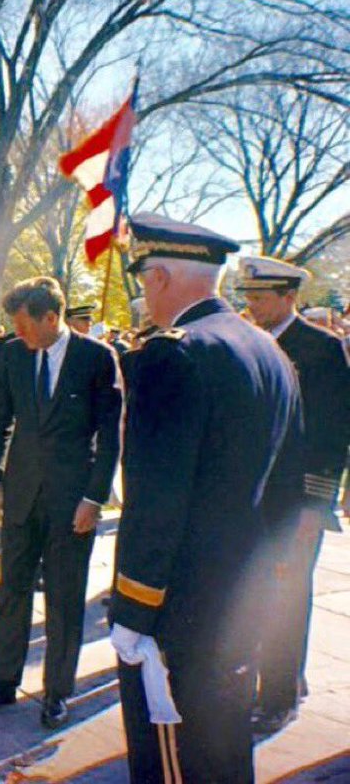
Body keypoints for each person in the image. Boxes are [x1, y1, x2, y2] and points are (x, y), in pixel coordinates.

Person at [110, 215, 300, 784]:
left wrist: (134, 609)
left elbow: (155, 501)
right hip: (241, 592)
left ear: (161, 276)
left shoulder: (174, 354)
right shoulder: (268, 350)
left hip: (178, 605)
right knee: (224, 746)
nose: (145, 295)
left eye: (145, 280)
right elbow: (286, 487)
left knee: (174, 759)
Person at [0, 277, 122, 729]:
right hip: (21, 494)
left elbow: (111, 436)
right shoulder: (13, 354)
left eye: (23, 324)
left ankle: (56, 692)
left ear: (51, 318)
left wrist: (94, 497)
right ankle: (1, 683)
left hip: (72, 501)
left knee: (64, 597)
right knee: (11, 590)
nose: (17, 333)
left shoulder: (96, 358)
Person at [237, 255, 350, 734]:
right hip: (253, 497)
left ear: (289, 298)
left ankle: (278, 699)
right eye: (248, 297)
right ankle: (286, 677)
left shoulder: (321, 349)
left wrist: (315, 507)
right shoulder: (247, 342)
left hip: (295, 501)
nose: (252, 306)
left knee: (286, 595)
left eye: (260, 297)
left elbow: (333, 436)